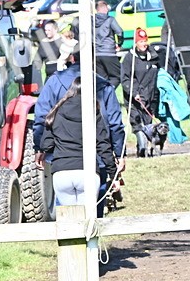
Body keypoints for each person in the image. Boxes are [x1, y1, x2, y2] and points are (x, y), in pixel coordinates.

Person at [33, 36, 126, 216]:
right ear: (92, 59)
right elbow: (115, 123)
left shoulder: (53, 82)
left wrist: (39, 147)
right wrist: (119, 153)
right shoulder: (104, 86)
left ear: (72, 57)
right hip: (97, 157)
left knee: (66, 214)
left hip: (62, 158)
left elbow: (42, 117)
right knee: (94, 213)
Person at [37, 75, 119, 208]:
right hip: (87, 171)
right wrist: (114, 175)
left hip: (61, 173)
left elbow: (46, 144)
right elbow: (103, 146)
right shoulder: (93, 112)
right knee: (86, 217)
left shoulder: (57, 110)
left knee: (69, 218)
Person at [120, 27, 161, 156]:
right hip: (134, 97)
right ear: (136, 43)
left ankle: (145, 150)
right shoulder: (129, 58)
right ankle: (142, 149)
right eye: (141, 41)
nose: (144, 44)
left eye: (145, 41)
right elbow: (125, 79)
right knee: (137, 124)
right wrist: (133, 92)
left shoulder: (154, 57)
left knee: (148, 125)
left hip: (150, 96)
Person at [92, 0, 125, 88]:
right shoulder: (110, 19)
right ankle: (108, 92)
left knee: (102, 78)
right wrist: (119, 44)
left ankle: (103, 94)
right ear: (105, 8)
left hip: (96, 54)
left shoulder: (92, 21)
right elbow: (120, 32)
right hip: (109, 52)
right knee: (118, 76)